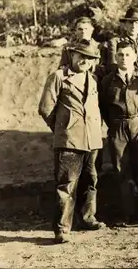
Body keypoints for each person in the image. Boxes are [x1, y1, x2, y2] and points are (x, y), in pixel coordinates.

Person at [38, 42, 106, 244]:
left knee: (90, 181)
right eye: (80, 56)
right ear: (72, 56)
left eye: (89, 58)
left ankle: (87, 218)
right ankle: (62, 229)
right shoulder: (58, 77)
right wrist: (63, 128)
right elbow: (45, 108)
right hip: (69, 140)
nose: (84, 61)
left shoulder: (93, 80)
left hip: (92, 139)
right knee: (67, 185)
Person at [99, 42, 138, 226]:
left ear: (135, 57)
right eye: (121, 55)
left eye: (128, 55)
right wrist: (116, 124)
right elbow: (103, 106)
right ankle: (125, 213)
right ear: (116, 58)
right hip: (118, 124)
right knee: (121, 168)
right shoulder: (108, 80)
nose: (124, 58)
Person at [102, 7, 138, 75]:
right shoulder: (115, 42)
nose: (133, 26)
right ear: (125, 24)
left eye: (136, 23)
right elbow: (113, 66)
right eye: (130, 22)